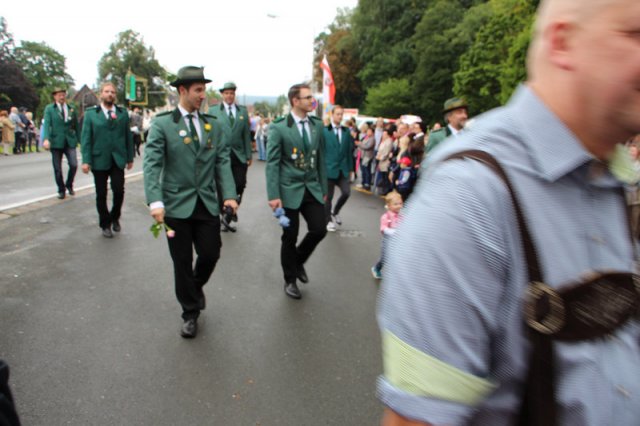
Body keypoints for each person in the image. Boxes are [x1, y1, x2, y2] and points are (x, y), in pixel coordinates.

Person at [378, 0, 640, 424]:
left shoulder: (616, 178)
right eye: (635, 35)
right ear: (563, 42)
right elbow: (417, 417)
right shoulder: (467, 196)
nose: (461, 114)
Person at [143, 66, 238, 338]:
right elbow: (152, 165)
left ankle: (194, 288)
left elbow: (222, 161)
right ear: (182, 91)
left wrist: (229, 195)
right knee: (182, 261)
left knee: (211, 253)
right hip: (175, 205)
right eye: (198, 90)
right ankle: (190, 312)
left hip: (205, 202)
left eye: (204, 90)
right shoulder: (163, 124)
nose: (203, 95)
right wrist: (155, 201)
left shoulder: (213, 124)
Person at [266, 83, 327, 300]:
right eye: (308, 97)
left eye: (312, 97)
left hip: (311, 187)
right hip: (288, 189)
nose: (312, 101)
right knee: (290, 236)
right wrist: (273, 195)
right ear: (295, 101)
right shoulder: (279, 127)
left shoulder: (317, 125)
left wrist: (323, 188)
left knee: (319, 229)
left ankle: (298, 260)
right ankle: (290, 280)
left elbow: (320, 158)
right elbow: (272, 163)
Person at [81, 82, 134, 238]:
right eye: (107, 91)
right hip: (99, 159)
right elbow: (86, 139)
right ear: (101, 94)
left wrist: (130, 157)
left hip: (118, 158)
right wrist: (86, 160)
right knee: (101, 193)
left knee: (118, 190)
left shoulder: (122, 113)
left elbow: (128, 136)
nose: (110, 94)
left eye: (112, 92)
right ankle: (105, 224)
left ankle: (115, 216)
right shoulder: (91, 114)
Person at [208, 82, 252, 232]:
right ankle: (226, 215)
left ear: (234, 95)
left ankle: (231, 209)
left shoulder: (242, 111)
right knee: (222, 186)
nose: (229, 96)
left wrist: (248, 154)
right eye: (226, 93)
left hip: (239, 155)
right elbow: (210, 133)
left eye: (232, 93)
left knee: (240, 184)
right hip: (221, 154)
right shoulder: (214, 111)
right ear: (222, 95)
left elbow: (246, 134)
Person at [42, 87, 80, 199]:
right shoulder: (50, 109)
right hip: (56, 141)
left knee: (74, 164)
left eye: (63, 95)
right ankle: (61, 189)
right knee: (57, 168)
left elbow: (76, 126)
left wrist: (81, 141)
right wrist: (46, 139)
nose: (62, 97)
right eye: (59, 95)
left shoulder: (71, 108)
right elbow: (47, 124)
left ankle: (69, 184)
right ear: (55, 96)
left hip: (69, 140)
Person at [323, 105, 355, 232]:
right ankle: (328, 221)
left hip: (342, 169)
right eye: (338, 114)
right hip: (328, 169)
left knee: (346, 192)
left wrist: (351, 169)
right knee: (328, 197)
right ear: (332, 115)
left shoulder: (346, 131)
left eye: (342, 114)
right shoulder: (324, 131)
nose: (340, 116)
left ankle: (335, 211)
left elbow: (348, 152)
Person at [371, 191, 402, 280]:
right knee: (385, 258)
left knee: (398, 257)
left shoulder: (402, 215)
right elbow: (383, 229)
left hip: (399, 240)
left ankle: (396, 275)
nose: (399, 206)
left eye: (400, 203)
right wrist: (395, 232)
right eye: (395, 204)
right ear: (389, 205)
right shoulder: (386, 216)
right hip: (388, 240)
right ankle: (376, 268)